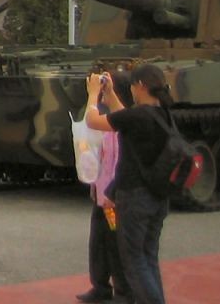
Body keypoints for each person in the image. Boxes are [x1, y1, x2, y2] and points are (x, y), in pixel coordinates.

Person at [85, 63, 174, 304]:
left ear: (141, 86)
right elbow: (124, 116)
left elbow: (93, 121)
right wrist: (111, 94)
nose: (132, 90)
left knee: (135, 262)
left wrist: (93, 94)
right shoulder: (161, 113)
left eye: (134, 86)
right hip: (157, 195)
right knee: (148, 257)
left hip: (135, 197)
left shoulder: (138, 116)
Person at [77, 72, 132, 303]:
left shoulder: (126, 119)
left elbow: (90, 120)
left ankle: (123, 291)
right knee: (99, 241)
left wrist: (93, 94)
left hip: (114, 196)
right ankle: (100, 285)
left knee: (115, 243)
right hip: (102, 192)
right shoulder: (111, 119)